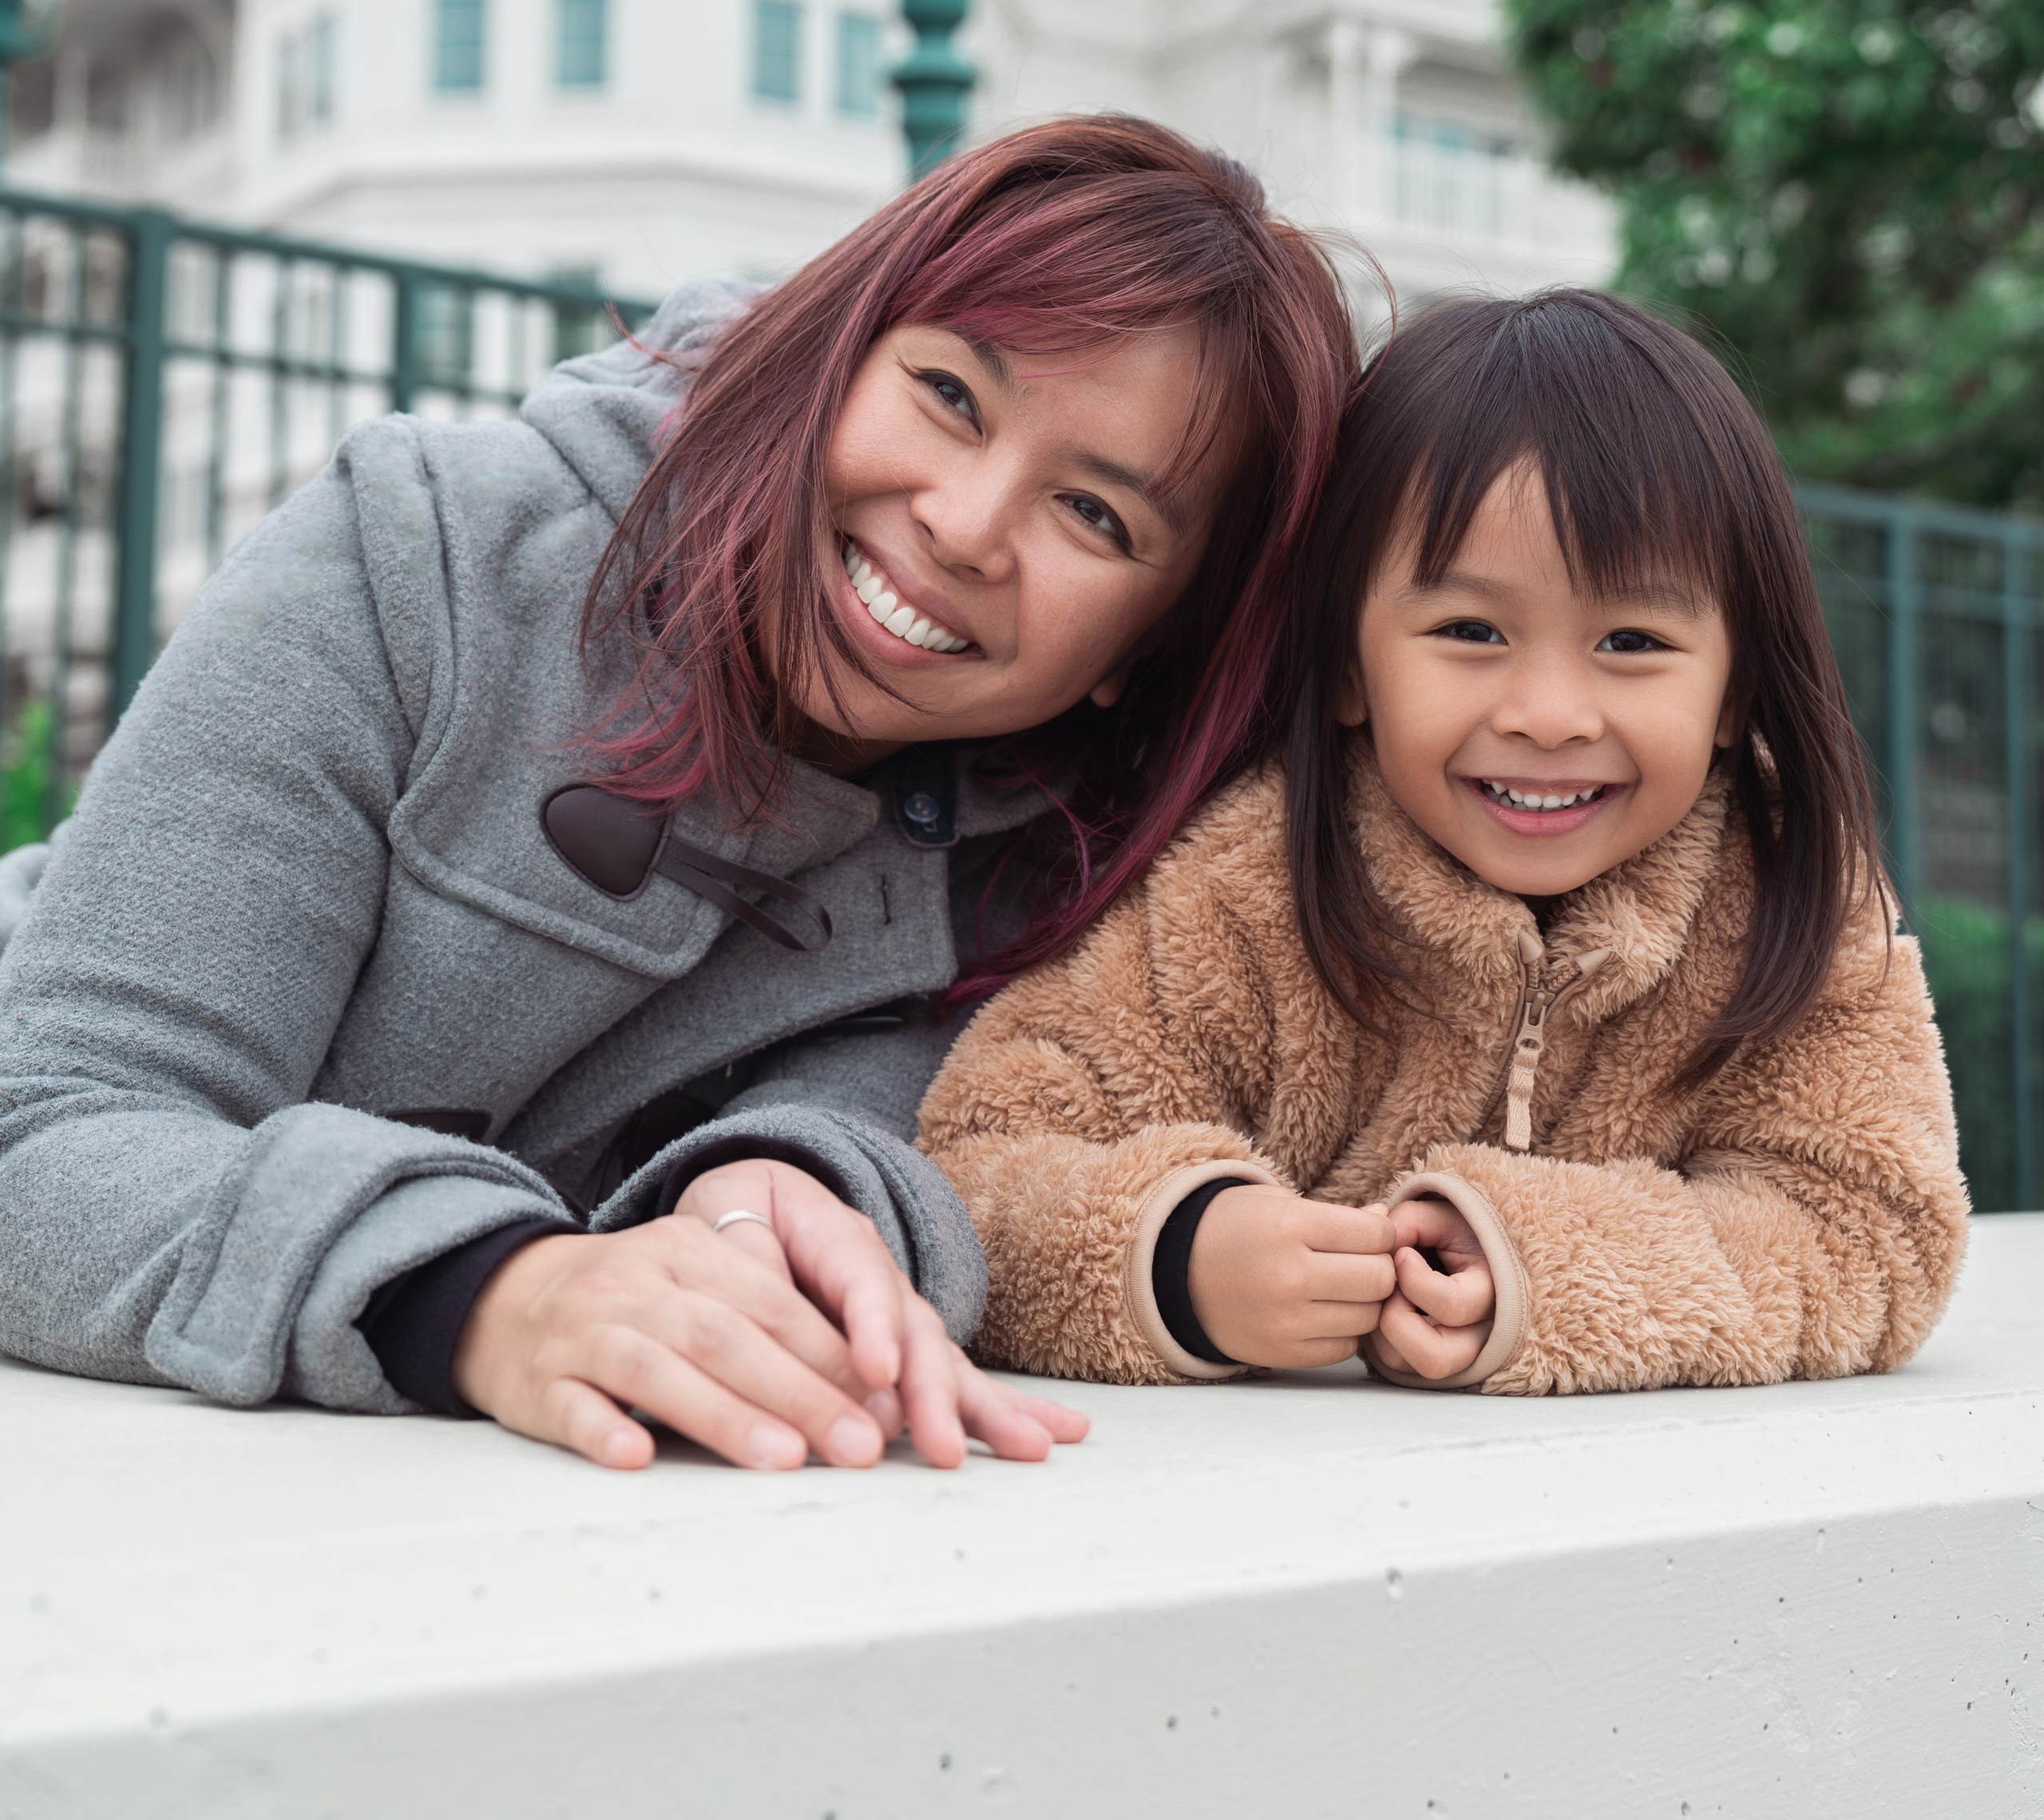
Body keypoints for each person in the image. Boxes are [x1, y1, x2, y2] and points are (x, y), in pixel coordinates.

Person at [0, 119, 1355, 1469]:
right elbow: (51, 1129)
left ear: (1151, 649)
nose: (965, 523)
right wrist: (492, 1292)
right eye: (950, 394)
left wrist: (785, 1199)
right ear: (840, 348)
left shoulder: (1051, 865)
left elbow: (864, 1131)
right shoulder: (422, 552)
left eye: (1097, 517)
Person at [917, 288, 1969, 1395]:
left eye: (1632, 639)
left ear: (1732, 691)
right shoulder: (1241, 891)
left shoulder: (1795, 901)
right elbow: (978, 1163)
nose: (1550, 713)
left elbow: (1874, 1226)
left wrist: (1539, 1271)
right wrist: (1181, 1256)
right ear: (1348, 665)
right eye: (1471, 631)